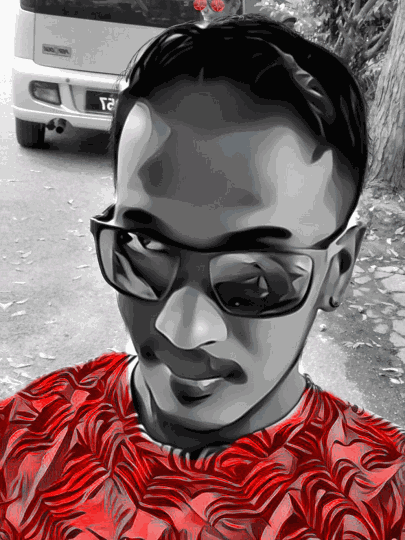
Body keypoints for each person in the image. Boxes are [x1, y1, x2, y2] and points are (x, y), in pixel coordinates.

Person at [1, 13, 405, 539]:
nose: (183, 330)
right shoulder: (24, 436)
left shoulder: (385, 502)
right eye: (145, 249)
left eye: (255, 279)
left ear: (339, 271)